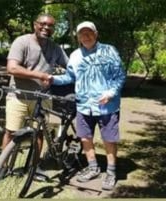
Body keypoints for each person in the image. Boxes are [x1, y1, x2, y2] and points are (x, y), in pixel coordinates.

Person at [49, 21, 126, 190]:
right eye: (82, 33)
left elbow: (120, 76)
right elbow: (70, 77)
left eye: (89, 32)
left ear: (96, 34)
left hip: (107, 106)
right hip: (83, 105)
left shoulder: (109, 50)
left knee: (109, 139)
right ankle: (93, 168)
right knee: (85, 137)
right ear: (78, 37)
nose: (86, 36)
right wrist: (52, 79)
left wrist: (111, 93)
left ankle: (111, 172)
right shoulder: (75, 55)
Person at [1, 13, 69, 180]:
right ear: (34, 24)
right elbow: (12, 68)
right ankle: (3, 167)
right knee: (11, 132)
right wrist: (40, 75)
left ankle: (35, 167)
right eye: (43, 24)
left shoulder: (55, 48)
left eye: (50, 25)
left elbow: (70, 66)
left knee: (39, 133)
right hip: (19, 95)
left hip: (43, 97)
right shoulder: (22, 42)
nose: (46, 28)